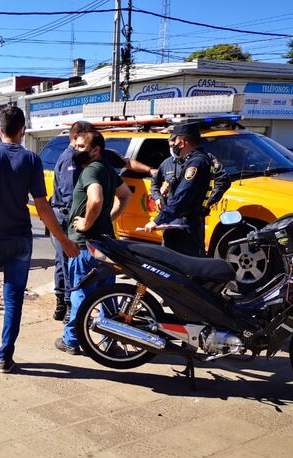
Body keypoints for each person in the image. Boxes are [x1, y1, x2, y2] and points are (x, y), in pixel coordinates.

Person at [0, 106, 79, 373]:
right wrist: (64, 240)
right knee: (13, 299)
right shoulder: (32, 159)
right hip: (21, 238)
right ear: (23, 130)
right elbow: (43, 208)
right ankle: (5, 358)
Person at [50, 120, 156, 323]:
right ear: (75, 137)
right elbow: (72, 197)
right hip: (69, 220)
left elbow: (98, 195)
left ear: (95, 149)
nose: (81, 147)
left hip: (90, 231)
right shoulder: (70, 159)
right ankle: (64, 305)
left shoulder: (99, 162)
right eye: (81, 142)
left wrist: (91, 220)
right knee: (66, 265)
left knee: (86, 283)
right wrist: (91, 219)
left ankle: (74, 331)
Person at [55, 130, 133, 355]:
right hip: (106, 244)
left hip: (85, 245)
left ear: (95, 149)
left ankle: (71, 340)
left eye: (80, 147)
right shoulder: (108, 170)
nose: (75, 150)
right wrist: (107, 219)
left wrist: (87, 224)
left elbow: (96, 199)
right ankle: (111, 341)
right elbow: (126, 195)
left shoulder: (91, 170)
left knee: (81, 293)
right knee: (108, 295)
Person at [145, 121, 218, 257]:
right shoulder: (194, 160)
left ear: (183, 142)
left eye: (176, 140)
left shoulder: (196, 163)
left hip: (186, 225)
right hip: (178, 223)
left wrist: (157, 220)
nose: (174, 145)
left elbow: (182, 196)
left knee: (185, 266)